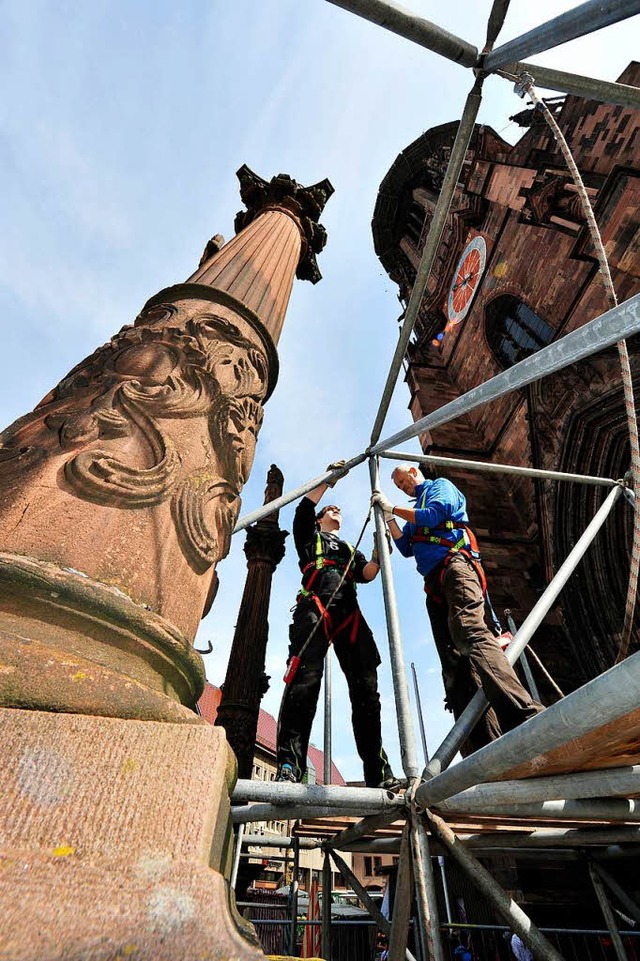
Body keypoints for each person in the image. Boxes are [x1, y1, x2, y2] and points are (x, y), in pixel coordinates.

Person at [373, 464, 542, 750]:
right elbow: (405, 547)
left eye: (404, 481)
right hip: (435, 584)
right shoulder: (413, 508)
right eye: (399, 486)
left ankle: (525, 715)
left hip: (456, 567)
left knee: (469, 630)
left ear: (414, 472)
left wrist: (394, 507)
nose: (403, 487)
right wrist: (388, 517)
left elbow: (434, 516)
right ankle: (483, 745)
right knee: (453, 663)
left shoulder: (440, 487)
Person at [276, 479, 399, 789]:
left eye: (337, 508)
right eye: (329, 509)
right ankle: (291, 764)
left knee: (367, 692)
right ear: (319, 520)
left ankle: (378, 772)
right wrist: (328, 482)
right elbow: (304, 508)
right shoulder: (309, 537)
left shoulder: (348, 548)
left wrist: (377, 554)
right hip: (316, 605)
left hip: (349, 612)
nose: (336, 509)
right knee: (304, 682)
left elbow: (367, 574)